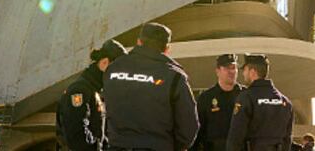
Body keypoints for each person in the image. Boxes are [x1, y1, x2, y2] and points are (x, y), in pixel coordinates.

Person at [103, 22, 199, 151]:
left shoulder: (113, 68)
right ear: (166, 49)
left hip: (118, 146)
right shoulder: (173, 76)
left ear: (139, 42)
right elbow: (189, 124)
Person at [56, 39, 127, 151]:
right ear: (104, 63)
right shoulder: (80, 90)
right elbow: (77, 135)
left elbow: (98, 132)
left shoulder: (94, 90)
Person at [226, 54, 293, 151]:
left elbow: (236, 137)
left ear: (252, 72)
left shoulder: (246, 98)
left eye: (245, 70)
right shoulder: (286, 102)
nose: (243, 74)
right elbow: (287, 140)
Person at [190, 54, 245, 151]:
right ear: (218, 71)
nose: (231, 71)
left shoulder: (245, 95)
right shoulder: (206, 98)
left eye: (234, 68)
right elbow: (197, 130)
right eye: (227, 68)